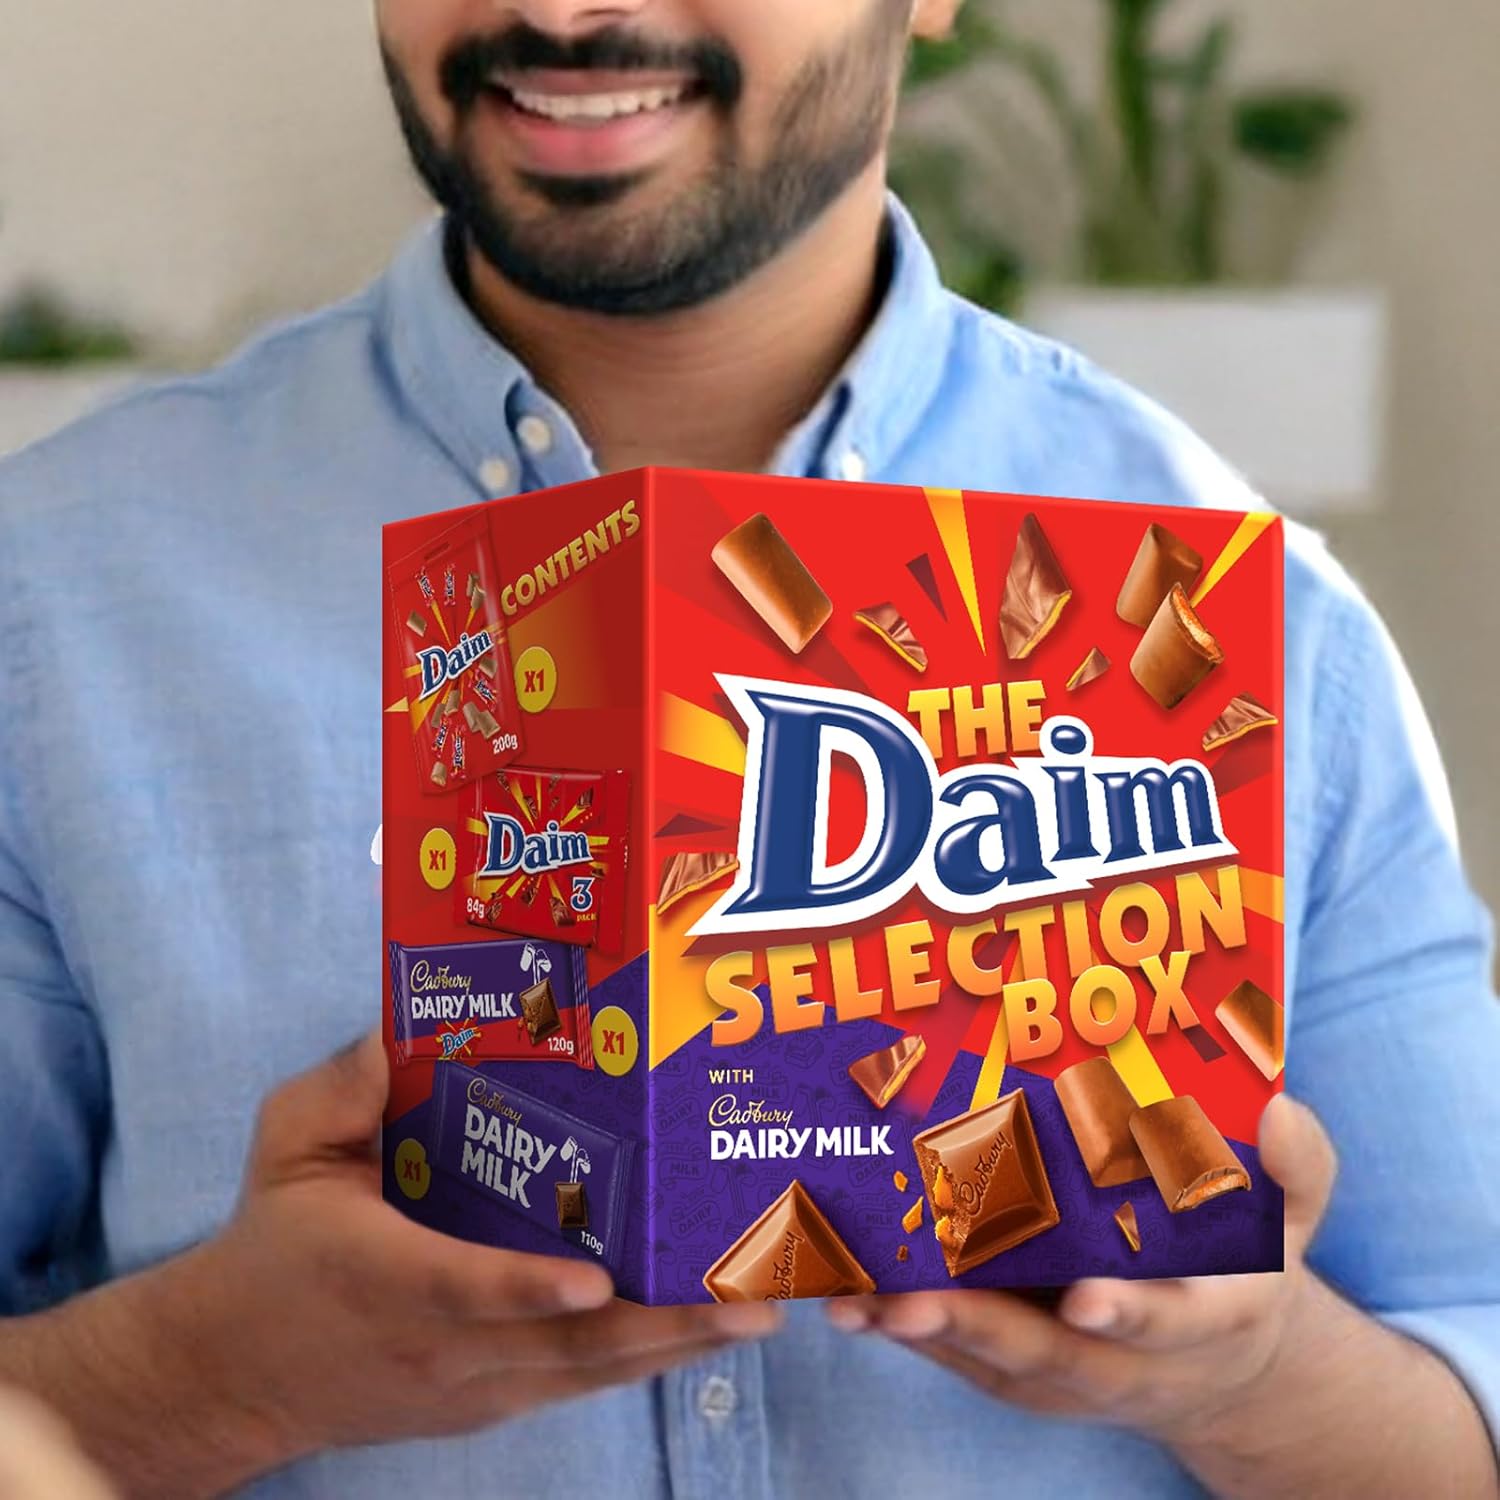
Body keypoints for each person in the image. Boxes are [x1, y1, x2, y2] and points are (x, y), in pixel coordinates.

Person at [0, 0, 1496, 1494]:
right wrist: (211, 1374)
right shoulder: (57, 595)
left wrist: (1257, 1379)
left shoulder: (1260, 627)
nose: (564, 11)